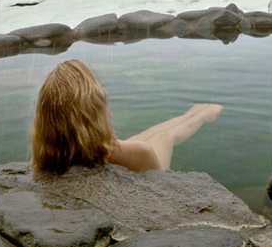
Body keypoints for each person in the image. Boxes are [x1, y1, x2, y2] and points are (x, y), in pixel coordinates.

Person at [31, 59, 222, 176]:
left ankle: (190, 113)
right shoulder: (133, 153)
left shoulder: (47, 157)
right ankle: (201, 115)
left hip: (94, 150)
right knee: (164, 137)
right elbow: (160, 184)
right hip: (138, 161)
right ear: (94, 115)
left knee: (143, 138)